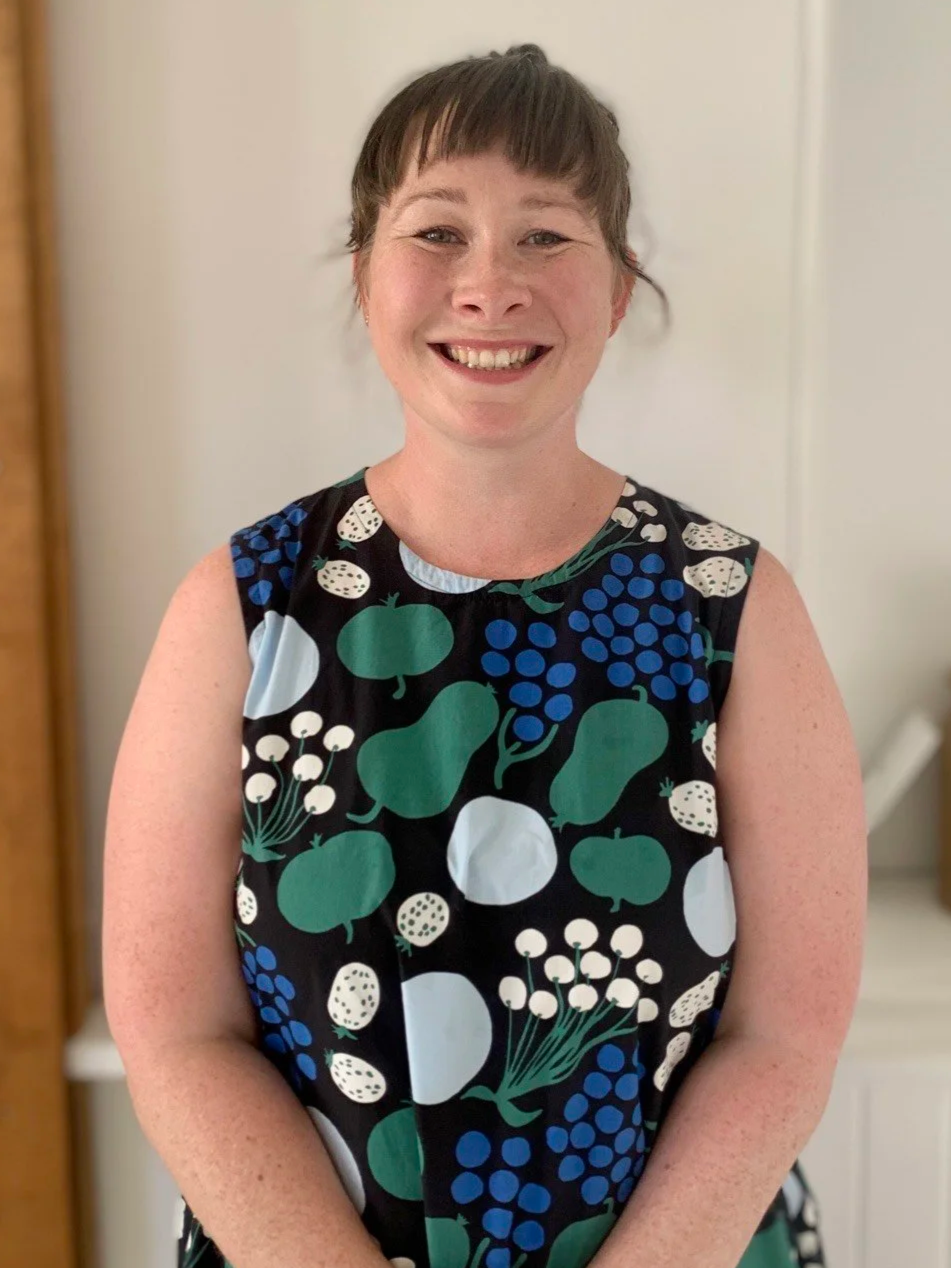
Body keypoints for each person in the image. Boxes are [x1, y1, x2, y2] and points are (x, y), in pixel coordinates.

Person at [102, 43, 868, 1268]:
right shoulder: (238, 607)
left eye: (548, 237)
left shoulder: (735, 606)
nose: (490, 286)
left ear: (619, 289)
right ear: (365, 276)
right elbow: (173, 1024)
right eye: (438, 231)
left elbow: (786, 1032)